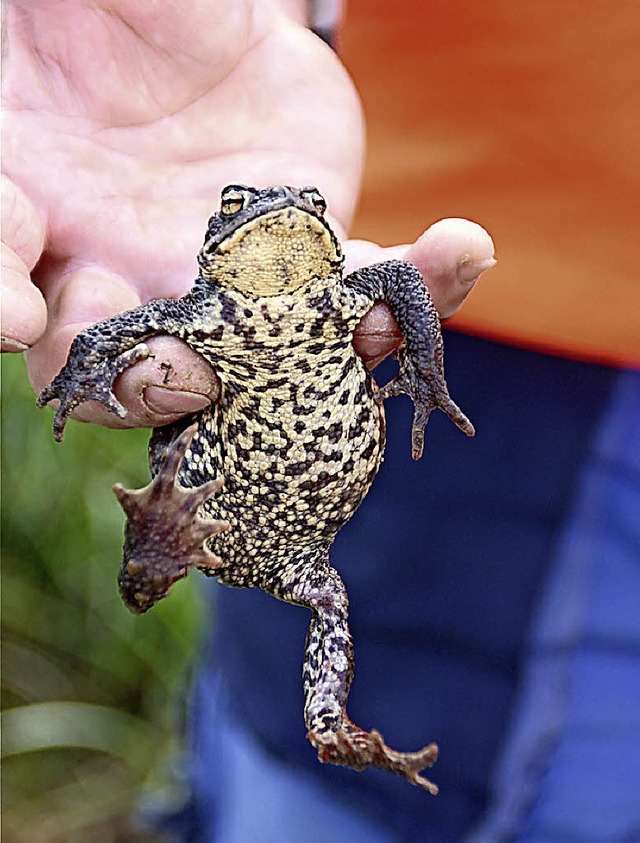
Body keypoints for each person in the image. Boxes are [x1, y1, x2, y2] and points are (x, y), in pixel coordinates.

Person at [3, 2, 639, 842]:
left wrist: (422, 366)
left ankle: (326, 725)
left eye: (296, 208)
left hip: (325, 526)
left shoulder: (340, 292)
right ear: (220, 237)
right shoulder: (211, 310)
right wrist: (85, 366)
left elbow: (406, 290)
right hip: (521, 317)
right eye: (247, 206)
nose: (278, 213)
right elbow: (112, 332)